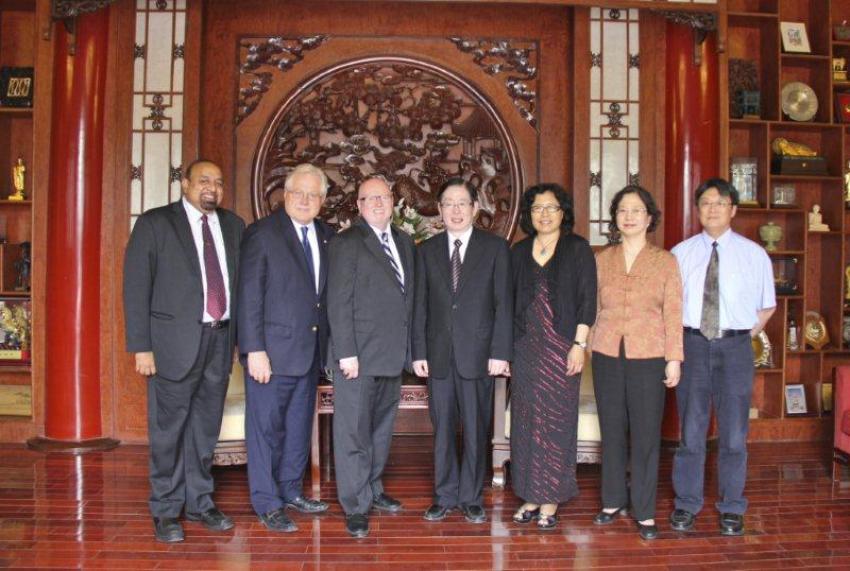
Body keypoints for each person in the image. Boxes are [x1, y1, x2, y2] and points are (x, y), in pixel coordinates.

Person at [123, 159, 245, 543]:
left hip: (219, 340)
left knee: (205, 429)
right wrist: (141, 347)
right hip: (171, 345)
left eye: (219, 182)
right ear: (185, 184)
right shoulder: (156, 224)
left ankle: (200, 503)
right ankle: (165, 509)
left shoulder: (233, 226)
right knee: (168, 431)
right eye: (204, 180)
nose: (212, 187)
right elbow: (135, 288)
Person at [670, 177, 776, 537]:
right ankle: (687, 504)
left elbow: (767, 306)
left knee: (733, 433)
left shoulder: (753, 254)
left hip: (735, 348)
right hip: (693, 345)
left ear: (733, 209)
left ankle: (732, 506)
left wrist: (741, 336)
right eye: (705, 203)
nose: (712, 208)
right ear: (697, 210)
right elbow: (670, 308)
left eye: (720, 202)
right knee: (692, 431)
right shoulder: (680, 253)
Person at [237, 163, 334, 532]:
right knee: (265, 429)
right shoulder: (262, 233)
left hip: (309, 353)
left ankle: (291, 491)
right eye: (299, 193)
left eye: (314, 194)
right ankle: (266, 501)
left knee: (297, 428)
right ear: (285, 195)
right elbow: (248, 295)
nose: (306, 200)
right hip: (270, 355)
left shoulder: (327, 235)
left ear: (323, 201)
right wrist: (254, 349)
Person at [412, 177, 512, 524]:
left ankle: (471, 497)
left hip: (480, 354)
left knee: (474, 427)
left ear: (474, 208)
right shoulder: (426, 249)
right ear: (439, 211)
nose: (455, 210)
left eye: (461, 203)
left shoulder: (495, 248)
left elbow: (503, 304)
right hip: (438, 355)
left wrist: (500, 352)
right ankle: (444, 495)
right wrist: (418, 351)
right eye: (448, 204)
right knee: (442, 429)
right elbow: (419, 307)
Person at [590, 185, 683, 540]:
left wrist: (674, 358)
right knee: (611, 430)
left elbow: (673, 314)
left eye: (636, 210)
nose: (628, 217)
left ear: (648, 218)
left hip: (650, 355)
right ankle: (612, 500)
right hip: (607, 352)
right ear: (615, 218)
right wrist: (585, 346)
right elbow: (593, 308)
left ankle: (644, 510)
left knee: (645, 435)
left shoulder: (665, 261)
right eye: (622, 211)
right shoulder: (602, 259)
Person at [327, 175, 416, 538]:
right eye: (369, 198)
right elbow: (338, 301)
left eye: (382, 197)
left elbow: (408, 301)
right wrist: (346, 353)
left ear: (392, 201)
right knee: (353, 433)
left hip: (392, 356)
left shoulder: (406, 242)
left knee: (380, 430)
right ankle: (355, 504)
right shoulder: (347, 242)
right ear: (359, 206)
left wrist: (410, 353)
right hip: (357, 358)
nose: (377, 203)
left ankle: (373, 489)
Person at [509, 183, 596, 530]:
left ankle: (551, 500)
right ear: (529, 215)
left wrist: (580, 344)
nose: (544, 214)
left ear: (563, 213)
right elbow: (507, 302)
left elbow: (588, 299)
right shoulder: (517, 251)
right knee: (527, 421)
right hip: (526, 348)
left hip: (563, 347)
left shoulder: (577, 248)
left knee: (557, 422)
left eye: (551, 207)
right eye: (537, 208)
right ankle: (530, 494)